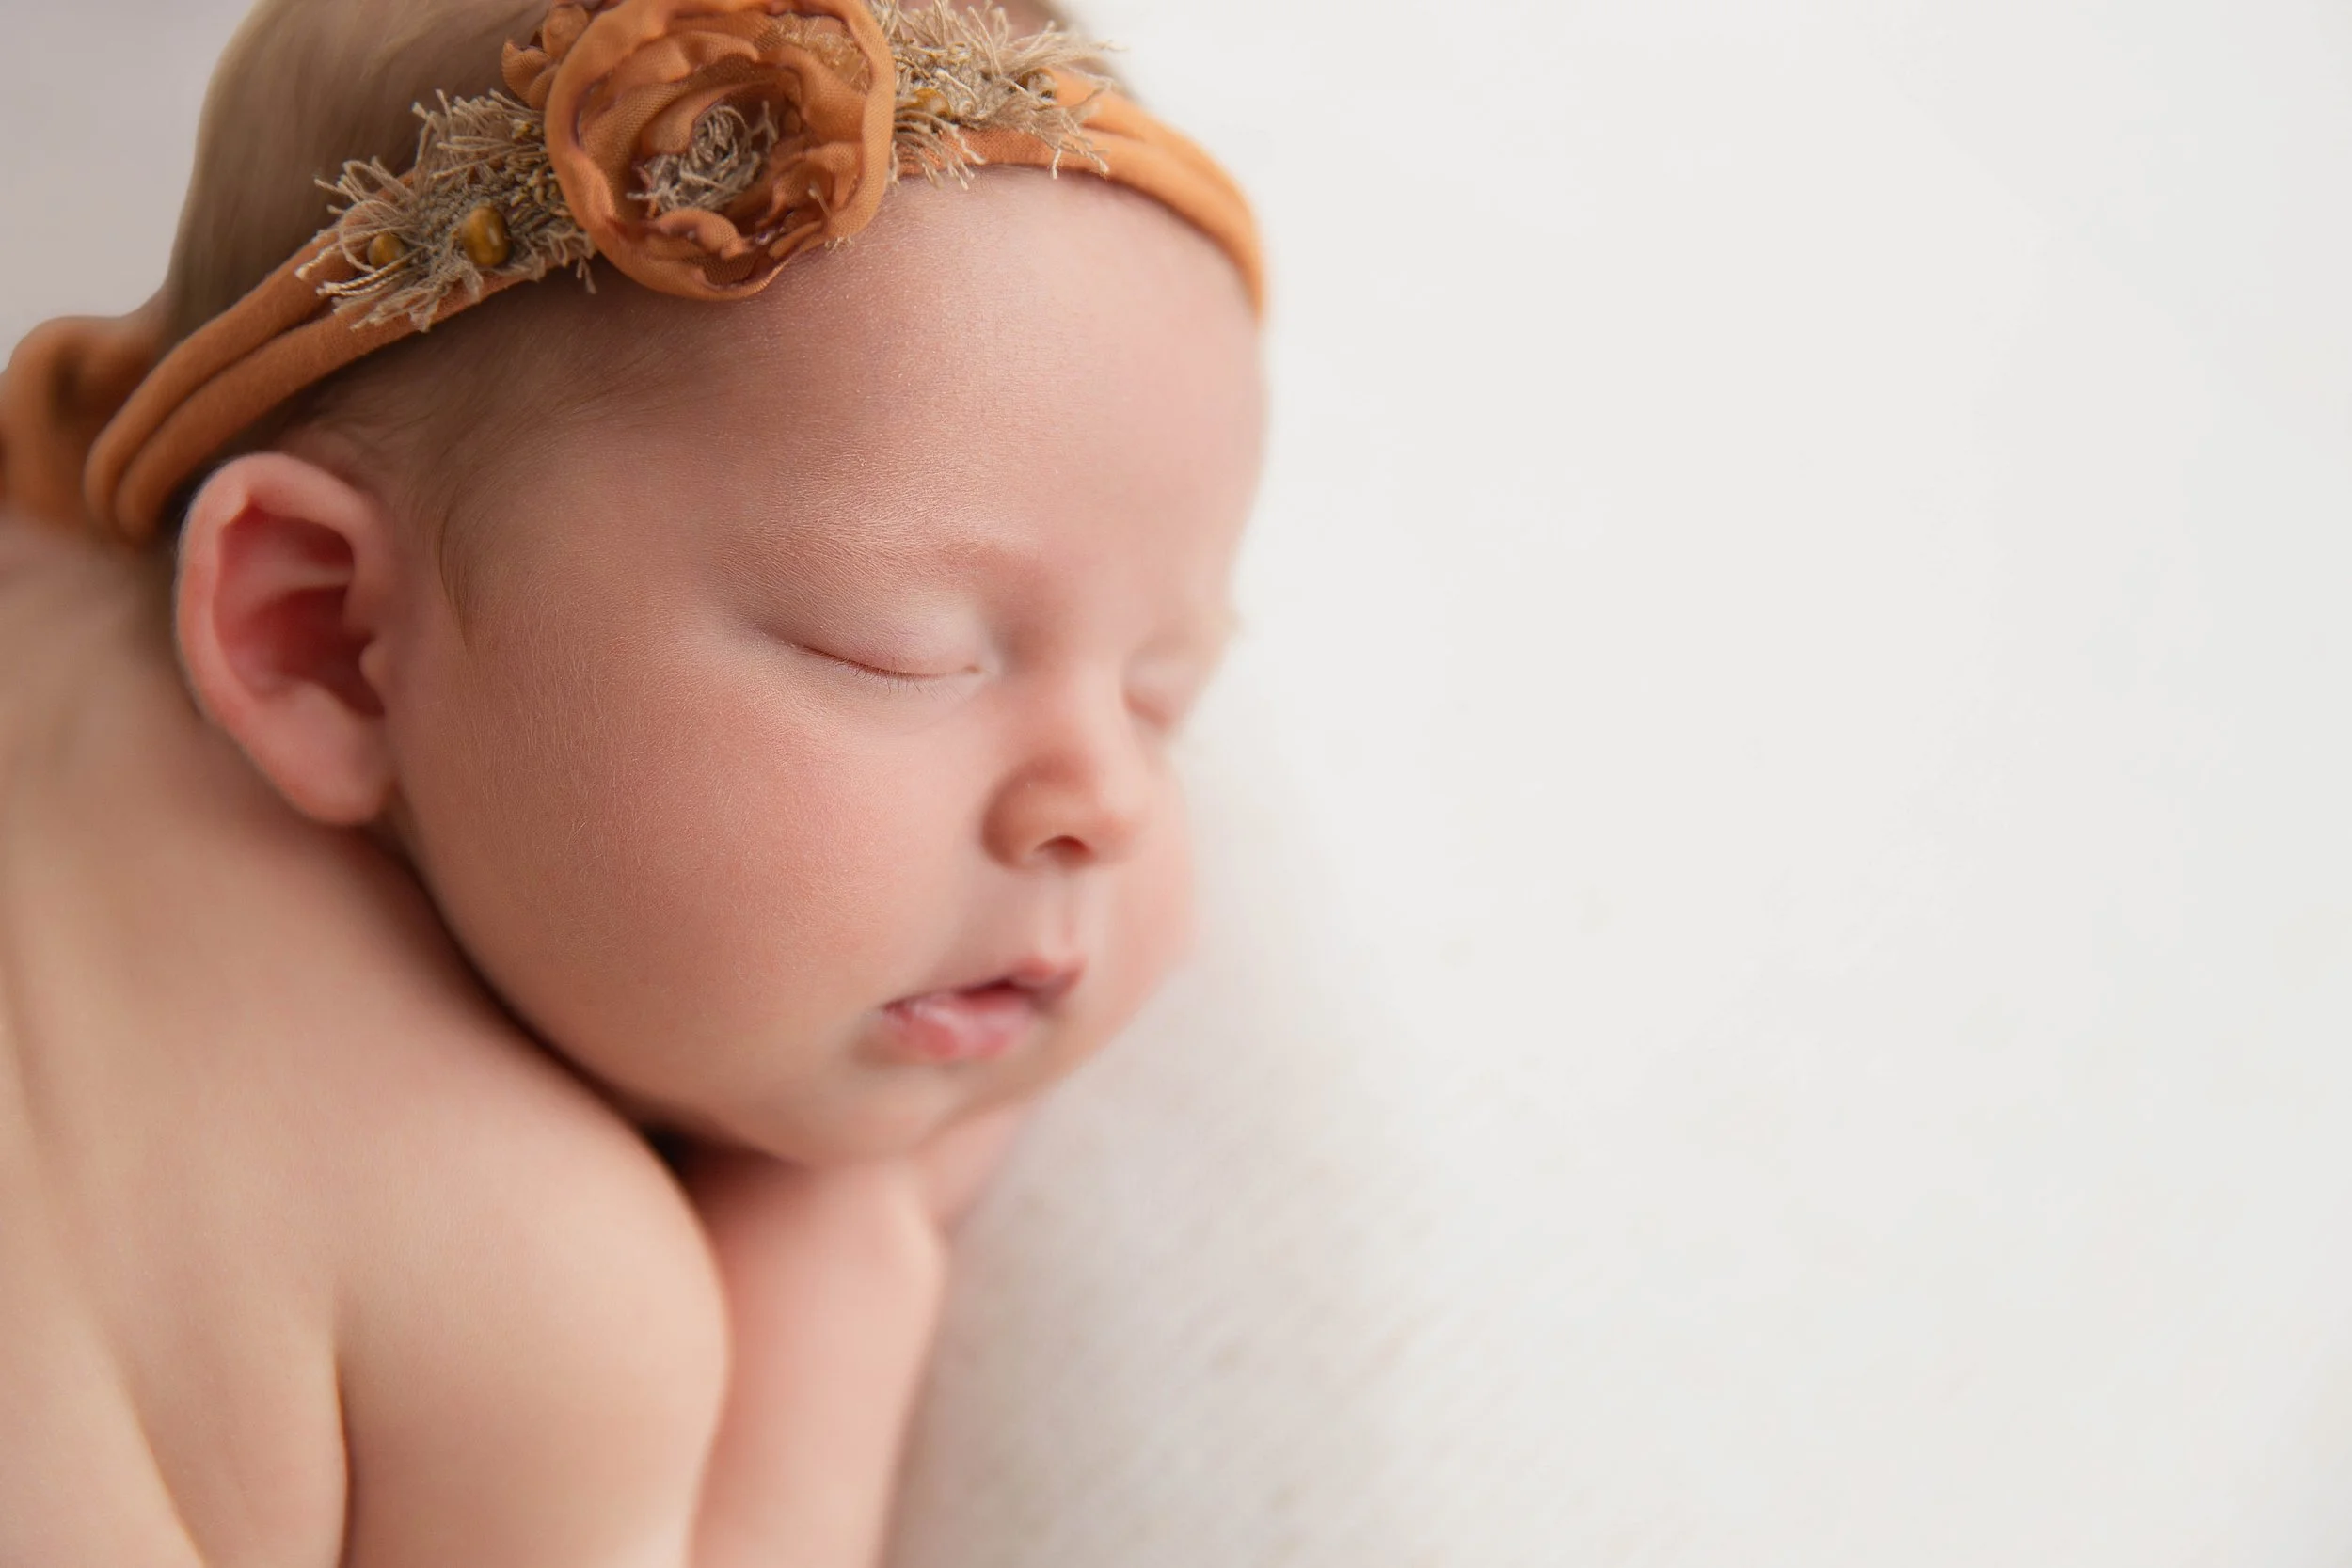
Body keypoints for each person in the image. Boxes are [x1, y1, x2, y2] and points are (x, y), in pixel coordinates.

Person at [0, 0, 1263, 1560]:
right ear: (323, 635)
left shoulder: (36, 585)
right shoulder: (536, 1286)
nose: (1109, 803)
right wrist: (842, 1266)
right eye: (899, 652)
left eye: (1164, 694)